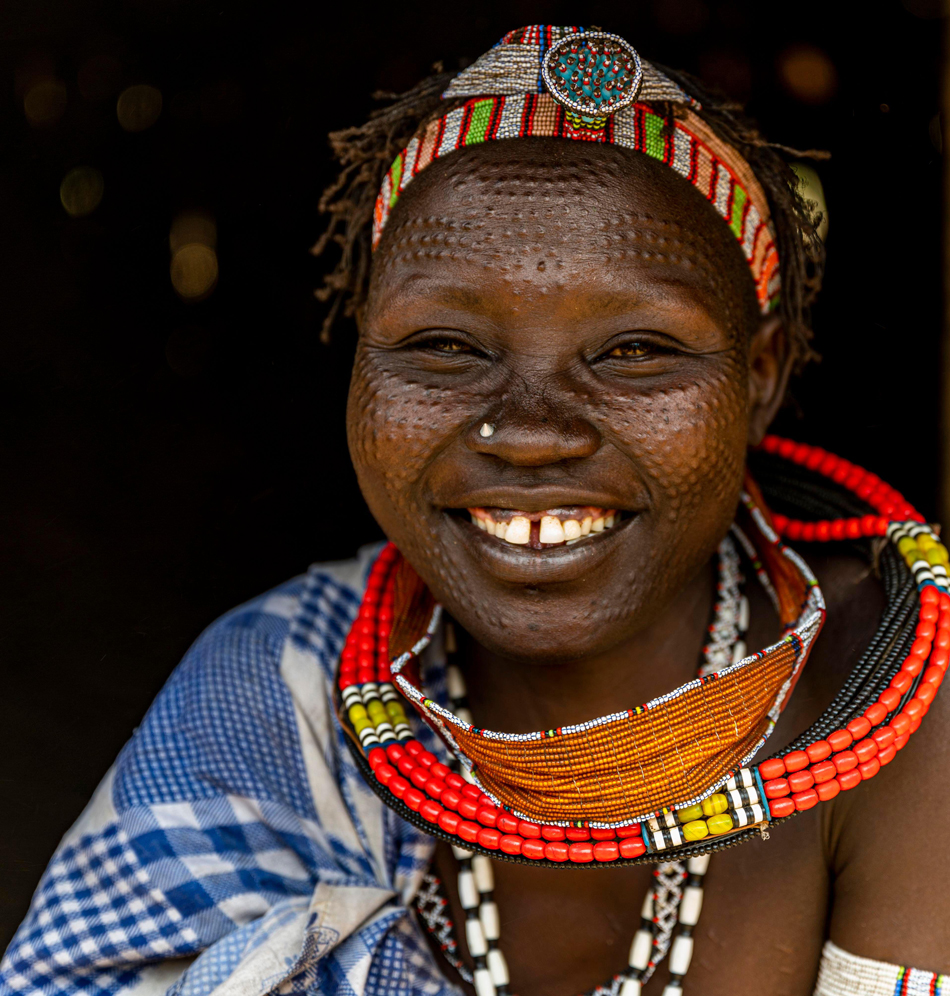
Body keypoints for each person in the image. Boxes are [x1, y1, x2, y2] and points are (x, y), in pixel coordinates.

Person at [2, 25, 948, 996]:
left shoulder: (897, 697)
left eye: (635, 352)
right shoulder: (274, 688)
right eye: (446, 347)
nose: (531, 431)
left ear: (758, 377)